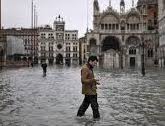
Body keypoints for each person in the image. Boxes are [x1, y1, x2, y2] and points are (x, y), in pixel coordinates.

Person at [77, 55, 100, 120]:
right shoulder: (85, 68)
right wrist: (93, 80)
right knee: (95, 107)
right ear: (90, 61)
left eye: (96, 63)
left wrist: (95, 82)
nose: (95, 64)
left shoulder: (90, 67)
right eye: (94, 63)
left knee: (85, 105)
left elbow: (89, 78)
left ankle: (79, 116)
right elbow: (83, 80)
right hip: (89, 91)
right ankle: (97, 120)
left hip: (91, 90)